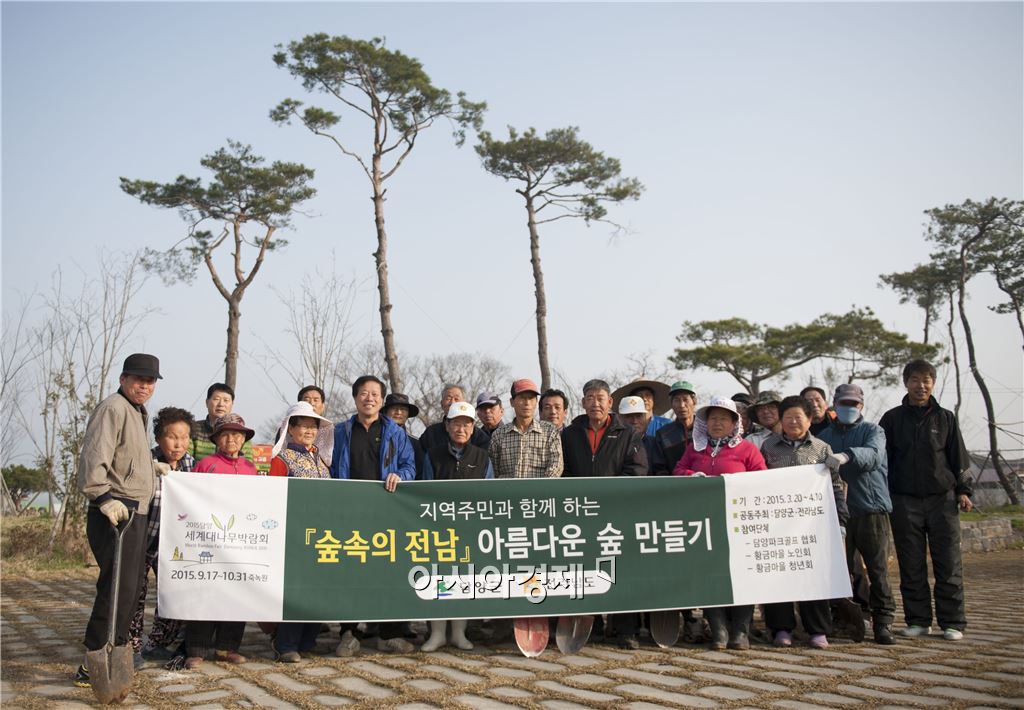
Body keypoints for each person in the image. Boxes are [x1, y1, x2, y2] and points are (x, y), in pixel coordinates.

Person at [75, 353, 161, 688]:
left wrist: (151, 467)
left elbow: (125, 456)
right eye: (138, 380)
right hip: (114, 510)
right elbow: (95, 455)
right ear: (123, 379)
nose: (144, 386)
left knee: (129, 587)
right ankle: (92, 659)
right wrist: (102, 498)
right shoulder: (113, 407)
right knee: (115, 588)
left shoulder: (137, 411)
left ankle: (117, 649)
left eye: (150, 381)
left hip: (135, 510)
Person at [879, 360, 972, 641]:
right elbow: (883, 461)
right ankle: (918, 620)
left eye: (926, 380)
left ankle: (953, 622)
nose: (921, 386)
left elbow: (959, 457)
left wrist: (964, 490)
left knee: (949, 562)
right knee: (911, 563)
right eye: (915, 380)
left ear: (933, 383)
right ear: (906, 383)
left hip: (942, 499)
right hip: (904, 500)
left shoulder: (945, 418)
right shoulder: (892, 419)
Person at [329, 375, 417, 654]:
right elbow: (328, 467)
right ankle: (348, 632)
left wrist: (400, 475)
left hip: (385, 512)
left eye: (375, 394)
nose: (369, 398)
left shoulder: (395, 432)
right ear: (355, 398)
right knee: (350, 571)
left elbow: (409, 467)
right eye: (364, 393)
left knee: (387, 570)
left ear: (382, 400)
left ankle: (388, 633)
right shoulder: (340, 431)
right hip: (349, 512)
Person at [674, 396, 767, 650]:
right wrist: (692, 475)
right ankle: (718, 630)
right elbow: (678, 470)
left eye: (723, 419)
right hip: (704, 523)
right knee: (710, 574)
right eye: (713, 418)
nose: (717, 423)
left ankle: (741, 631)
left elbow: (762, 479)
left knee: (742, 574)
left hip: (739, 522)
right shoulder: (695, 449)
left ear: (734, 423)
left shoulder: (747, 449)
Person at [562, 379, 647, 648]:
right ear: (583, 402)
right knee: (588, 569)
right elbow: (564, 472)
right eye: (590, 398)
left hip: (617, 513)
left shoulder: (627, 433)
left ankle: (626, 630)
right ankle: (594, 626)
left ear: (610, 402)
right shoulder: (570, 434)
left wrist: (609, 493)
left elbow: (637, 470)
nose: (595, 403)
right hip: (582, 514)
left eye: (600, 398)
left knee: (622, 570)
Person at [760, 396, 849, 650]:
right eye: (787, 417)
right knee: (779, 574)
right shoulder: (768, 447)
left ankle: (818, 630)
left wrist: (840, 519)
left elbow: (835, 486)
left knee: (813, 574)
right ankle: (781, 628)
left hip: (813, 524)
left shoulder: (822, 448)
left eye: (798, 417)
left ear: (809, 419)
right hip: (778, 523)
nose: (793, 422)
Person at [818, 384, 896, 645]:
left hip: (871, 509)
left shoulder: (874, 431)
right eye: (844, 403)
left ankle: (883, 621)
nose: (848, 408)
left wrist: (846, 456)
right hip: (839, 514)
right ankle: (848, 619)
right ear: (835, 404)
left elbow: (874, 456)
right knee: (844, 570)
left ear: (861, 406)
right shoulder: (825, 436)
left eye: (854, 404)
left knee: (878, 570)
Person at [420, 401, 493, 652]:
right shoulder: (433, 454)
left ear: (473, 428)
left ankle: (459, 633)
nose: (461, 429)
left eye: (467, 424)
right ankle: (438, 633)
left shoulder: (482, 457)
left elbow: (488, 493)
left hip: (469, 529)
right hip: (439, 529)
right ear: (447, 426)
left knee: (463, 578)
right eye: (456, 424)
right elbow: (425, 491)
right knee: (438, 578)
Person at [187, 413, 259, 667]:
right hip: (209, 540)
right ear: (216, 439)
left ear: (244, 439)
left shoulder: (251, 469)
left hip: (241, 542)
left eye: (237, 434)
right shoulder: (206, 465)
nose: (231, 439)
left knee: (237, 592)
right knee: (205, 592)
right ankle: (196, 649)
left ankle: (227, 648)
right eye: (225, 434)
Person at [267, 402, 334, 661]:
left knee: (319, 588)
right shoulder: (281, 459)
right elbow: (273, 498)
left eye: (313, 426)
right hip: (294, 535)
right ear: (290, 429)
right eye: (303, 425)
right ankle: (285, 645)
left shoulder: (322, 460)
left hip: (321, 535)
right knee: (297, 590)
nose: (309, 430)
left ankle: (307, 641)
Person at [129, 407, 194, 663]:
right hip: (143, 539)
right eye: (172, 437)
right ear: (158, 438)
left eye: (184, 437)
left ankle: (158, 643)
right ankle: (132, 645)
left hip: (175, 543)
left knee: (173, 591)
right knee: (135, 592)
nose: (178, 444)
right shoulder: (145, 462)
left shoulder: (191, 465)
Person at [488, 379, 563, 479]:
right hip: (507, 489)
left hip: (541, 488)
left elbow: (556, 467)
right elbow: (494, 471)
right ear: (512, 402)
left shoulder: (550, 431)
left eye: (531, 398)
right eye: (522, 398)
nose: (527, 403)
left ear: (536, 402)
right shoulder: (499, 435)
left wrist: (541, 487)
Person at [191, 383, 254, 463]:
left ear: (232, 404)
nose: (221, 404)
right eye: (216, 399)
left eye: (226, 400)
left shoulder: (241, 433)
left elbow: (247, 465)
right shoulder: (193, 428)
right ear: (207, 402)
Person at [420, 384, 489, 451]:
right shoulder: (431, 433)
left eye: (456, 399)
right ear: (441, 404)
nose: (452, 402)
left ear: (464, 403)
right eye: (448, 398)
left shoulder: (480, 437)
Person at [650, 381, 697, 475]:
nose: (681, 405)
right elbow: (659, 468)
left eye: (685, 399)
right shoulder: (663, 434)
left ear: (694, 402)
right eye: (677, 400)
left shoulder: (707, 430)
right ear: (671, 405)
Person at [383, 393, 424, 478]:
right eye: (394, 408)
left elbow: (420, 474)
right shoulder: (375, 437)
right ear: (385, 411)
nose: (398, 412)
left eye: (403, 409)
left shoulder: (416, 444)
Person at [618, 395, 656, 465]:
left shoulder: (656, 444)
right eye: (629, 416)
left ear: (646, 418)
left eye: (639, 416)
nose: (634, 421)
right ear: (619, 419)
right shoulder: (611, 444)